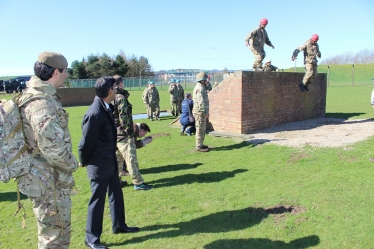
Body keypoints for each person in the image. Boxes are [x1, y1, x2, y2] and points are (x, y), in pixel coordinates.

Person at [16, 52, 78, 248]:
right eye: (65, 71)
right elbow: (53, 149)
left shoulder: (38, 96)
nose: (67, 75)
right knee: (53, 238)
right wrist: (72, 163)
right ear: (56, 72)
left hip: (47, 179)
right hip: (48, 182)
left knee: (56, 235)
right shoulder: (41, 103)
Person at [78, 76, 139, 249]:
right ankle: (91, 239)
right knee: (97, 202)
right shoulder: (95, 113)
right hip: (98, 165)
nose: (117, 89)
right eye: (115, 87)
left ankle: (119, 225)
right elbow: (85, 143)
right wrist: (84, 162)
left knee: (116, 195)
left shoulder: (106, 107)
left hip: (110, 162)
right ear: (109, 90)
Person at [112, 75, 153, 190]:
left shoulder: (111, 96)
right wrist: (129, 132)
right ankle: (138, 183)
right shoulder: (120, 97)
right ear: (120, 84)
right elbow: (124, 117)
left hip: (115, 133)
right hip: (123, 134)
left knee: (118, 160)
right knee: (130, 159)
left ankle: (117, 182)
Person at [193, 72, 211, 152]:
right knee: (200, 129)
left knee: (202, 129)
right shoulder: (200, 89)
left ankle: (201, 144)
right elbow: (201, 103)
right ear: (202, 80)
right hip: (200, 113)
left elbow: (209, 87)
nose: (206, 80)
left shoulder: (202, 86)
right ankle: (199, 146)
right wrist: (205, 113)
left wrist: (207, 82)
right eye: (205, 79)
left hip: (201, 113)